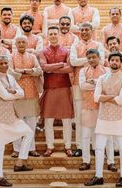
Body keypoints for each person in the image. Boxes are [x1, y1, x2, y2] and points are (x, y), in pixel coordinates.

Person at [85, 51, 122, 187]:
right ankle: (98, 176)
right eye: (112, 60)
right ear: (108, 62)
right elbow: (96, 98)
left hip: (119, 117)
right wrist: (112, 96)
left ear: (121, 63)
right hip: (104, 117)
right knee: (99, 147)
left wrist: (106, 97)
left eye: (117, 60)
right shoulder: (102, 78)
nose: (114, 62)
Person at [0, 55, 33, 187]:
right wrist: (14, 93)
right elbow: (5, 96)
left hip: (12, 116)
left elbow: (22, 93)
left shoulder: (10, 77)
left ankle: (20, 162)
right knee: (0, 148)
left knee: (29, 133)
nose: (4, 65)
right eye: (1, 63)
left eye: (5, 63)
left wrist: (12, 91)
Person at [70, 23, 105, 157]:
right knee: (80, 115)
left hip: (99, 85)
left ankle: (95, 146)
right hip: (79, 83)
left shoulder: (98, 44)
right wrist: (91, 59)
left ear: (92, 31)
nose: (84, 32)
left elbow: (101, 62)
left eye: (87, 30)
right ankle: (80, 145)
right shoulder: (75, 45)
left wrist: (83, 60)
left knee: (97, 116)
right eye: (82, 30)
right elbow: (73, 61)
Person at [39, 26, 74, 157]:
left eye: (55, 34)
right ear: (47, 36)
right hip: (49, 87)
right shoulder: (43, 52)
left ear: (59, 35)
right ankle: (49, 146)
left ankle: (68, 145)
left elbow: (70, 68)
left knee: (66, 119)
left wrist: (51, 68)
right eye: (51, 34)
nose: (53, 36)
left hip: (64, 87)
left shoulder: (66, 51)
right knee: (48, 119)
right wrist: (60, 64)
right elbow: (43, 67)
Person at [9, 36, 43, 158]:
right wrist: (29, 72)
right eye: (19, 42)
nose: (21, 44)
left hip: (31, 93)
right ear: (16, 44)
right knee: (17, 123)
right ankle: (17, 149)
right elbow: (11, 72)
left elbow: (39, 71)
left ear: (27, 44)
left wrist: (22, 71)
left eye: (24, 42)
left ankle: (31, 148)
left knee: (32, 123)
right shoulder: (11, 56)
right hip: (17, 95)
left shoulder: (32, 57)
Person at [78, 49, 109, 171]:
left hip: (102, 108)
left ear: (99, 57)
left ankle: (104, 161)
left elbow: (106, 86)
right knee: (85, 136)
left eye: (93, 57)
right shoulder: (83, 71)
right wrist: (99, 84)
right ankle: (86, 161)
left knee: (102, 136)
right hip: (87, 106)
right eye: (89, 58)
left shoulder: (106, 70)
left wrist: (93, 82)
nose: (91, 60)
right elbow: (82, 86)